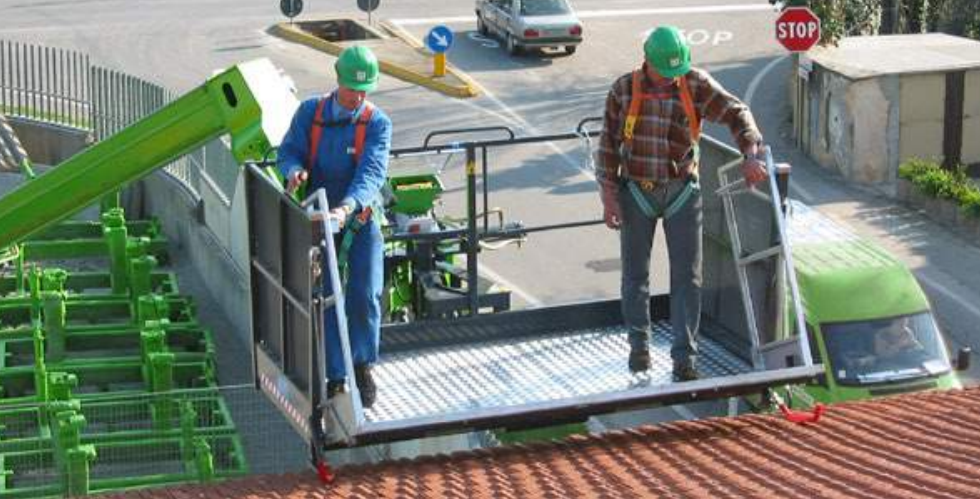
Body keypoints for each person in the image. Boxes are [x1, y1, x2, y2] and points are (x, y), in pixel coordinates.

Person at [596, 26, 768, 381]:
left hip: (681, 190)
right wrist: (609, 195)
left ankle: (684, 358)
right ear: (647, 62)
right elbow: (608, 145)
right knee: (635, 276)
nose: (673, 78)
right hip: (636, 191)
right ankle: (639, 348)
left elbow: (737, 112)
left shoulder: (694, 84)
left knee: (688, 279)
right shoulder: (624, 90)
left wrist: (750, 154)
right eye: (666, 71)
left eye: (678, 70)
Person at [277, 45, 392, 408]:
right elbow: (289, 151)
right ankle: (336, 375)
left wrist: (347, 208)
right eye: (352, 89)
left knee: (364, 293)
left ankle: (363, 364)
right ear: (338, 80)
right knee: (327, 297)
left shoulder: (376, 123)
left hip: (358, 220)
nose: (357, 96)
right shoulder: (310, 113)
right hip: (318, 218)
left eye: (363, 90)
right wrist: (293, 171)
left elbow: (372, 172)